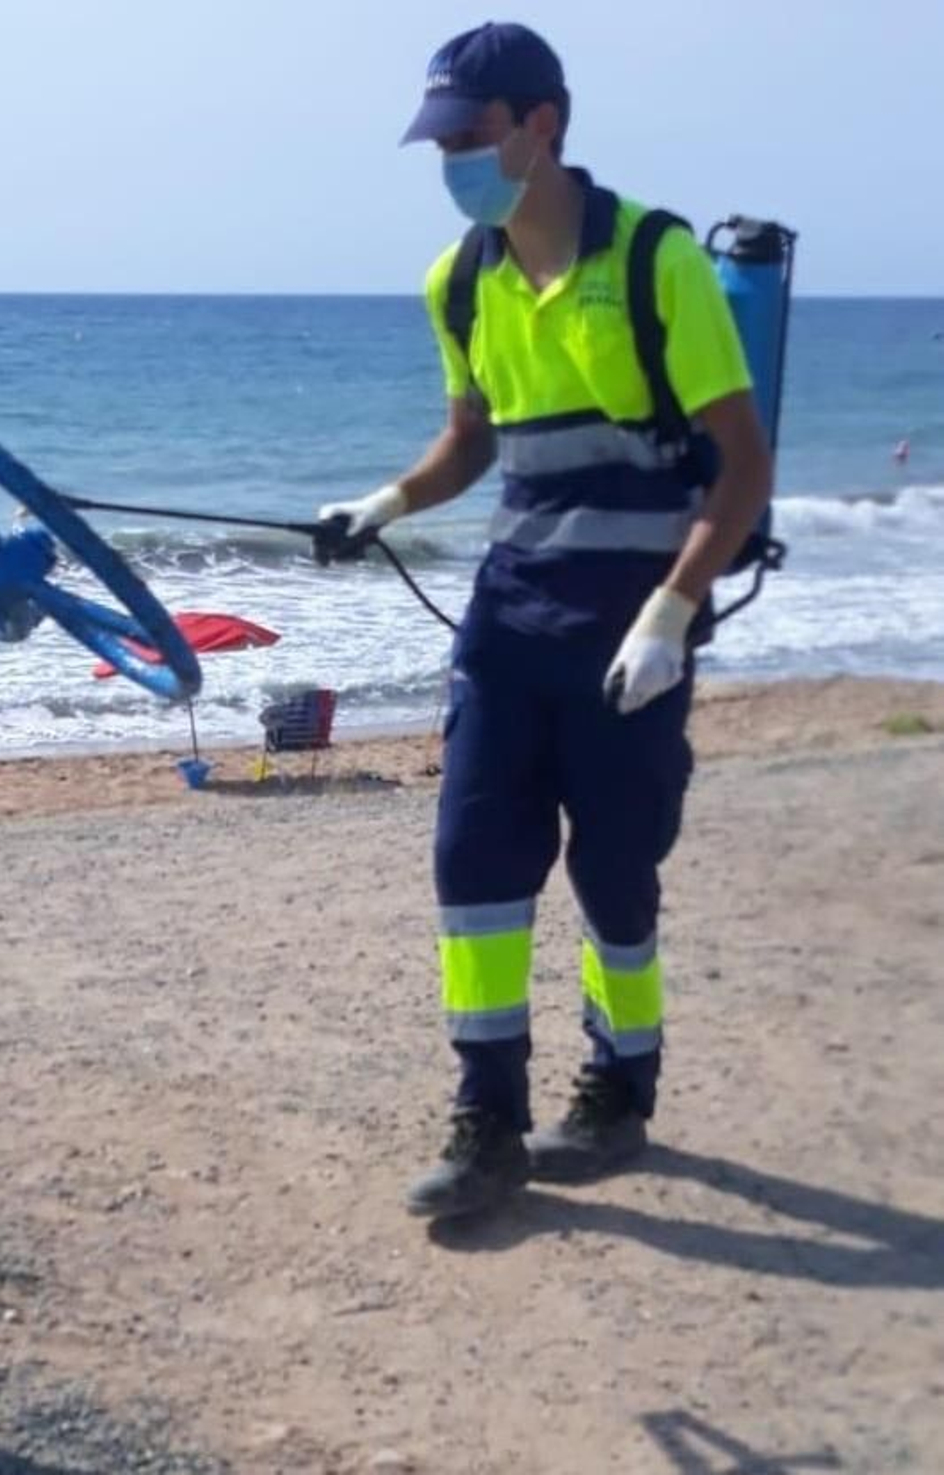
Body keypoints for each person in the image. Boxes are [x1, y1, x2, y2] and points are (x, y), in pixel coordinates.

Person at [319, 22, 771, 1218]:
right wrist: (387, 500)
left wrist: (675, 610)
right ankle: (488, 1120)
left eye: (469, 136)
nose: (452, 160)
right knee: (472, 859)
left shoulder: (654, 261)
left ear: (541, 125)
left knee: (615, 870)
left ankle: (620, 1089)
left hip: (633, 624)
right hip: (510, 615)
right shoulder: (457, 279)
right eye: (440, 142)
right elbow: (472, 440)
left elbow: (742, 466)